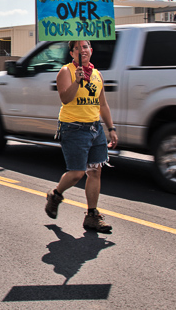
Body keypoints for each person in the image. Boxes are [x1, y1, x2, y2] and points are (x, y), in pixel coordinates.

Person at [44, 40, 118, 234]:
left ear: (91, 51)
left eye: (85, 47)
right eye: (77, 48)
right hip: (73, 128)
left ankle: (92, 216)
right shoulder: (65, 72)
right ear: (72, 53)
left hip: (95, 128)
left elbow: (102, 104)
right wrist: (77, 80)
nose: (82, 50)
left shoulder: (97, 74)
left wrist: (111, 127)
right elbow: (65, 98)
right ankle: (55, 195)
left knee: (95, 171)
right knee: (77, 173)